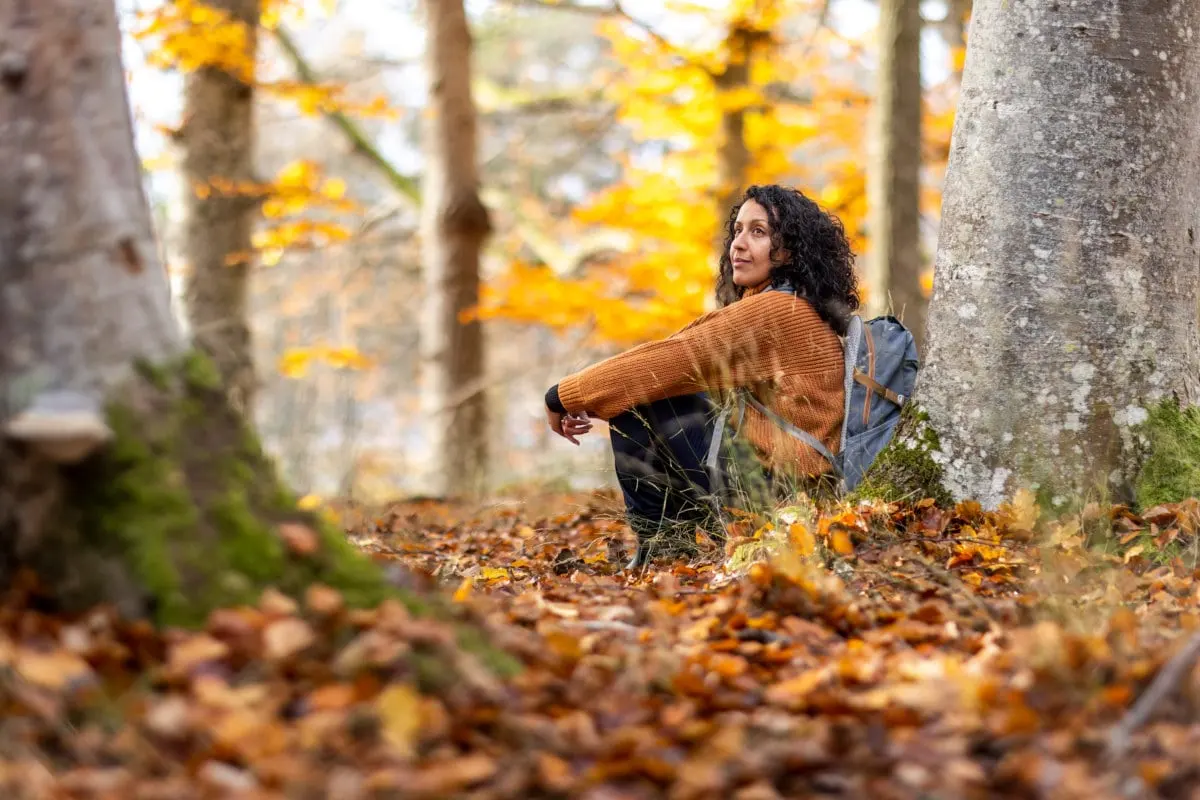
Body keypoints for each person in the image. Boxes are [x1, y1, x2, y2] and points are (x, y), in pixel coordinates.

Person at [543, 184, 859, 568]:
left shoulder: (777, 311)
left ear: (790, 250)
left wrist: (562, 396)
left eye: (758, 232)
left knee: (640, 402)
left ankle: (663, 548)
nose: (739, 244)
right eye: (738, 230)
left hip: (782, 497)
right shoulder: (795, 307)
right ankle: (672, 546)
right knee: (658, 391)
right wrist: (594, 397)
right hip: (791, 491)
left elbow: (668, 360)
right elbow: (678, 358)